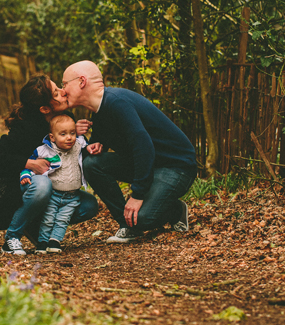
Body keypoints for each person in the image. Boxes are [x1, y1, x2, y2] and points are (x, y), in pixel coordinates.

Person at [61, 60, 196, 243]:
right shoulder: (98, 111)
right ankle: (127, 225)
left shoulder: (117, 102)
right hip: (148, 164)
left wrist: (137, 195)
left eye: (64, 84)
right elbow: (90, 158)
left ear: (82, 82)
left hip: (175, 166)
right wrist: (90, 146)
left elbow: (143, 145)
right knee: (92, 164)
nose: (62, 91)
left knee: (143, 218)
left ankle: (175, 210)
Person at [0, 75, 99, 255]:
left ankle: (35, 225)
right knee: (42, 186)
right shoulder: (25, 127)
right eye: (56, 93)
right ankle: (12, 238)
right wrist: (29, 163)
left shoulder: (65, 117)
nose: (63, 92)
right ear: (45, 108)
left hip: (54, 189)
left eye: (58, 87)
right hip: (13, 187)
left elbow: (70, 154)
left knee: (89, 205)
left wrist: (75, 135)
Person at [19, 114, 102, 254]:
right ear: (52, 137)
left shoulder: (78, 145)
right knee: (48, 218)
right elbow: (30, 164)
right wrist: (26, 175)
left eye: (72, 133)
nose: (69, 137)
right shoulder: (45, 150)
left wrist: (91, 148)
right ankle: (42, 242)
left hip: (72, 196)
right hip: (54, 194)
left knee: (63, 220)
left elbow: (87, 146)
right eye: (63, 134)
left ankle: (54, 242)